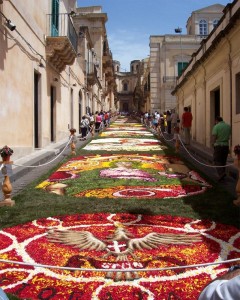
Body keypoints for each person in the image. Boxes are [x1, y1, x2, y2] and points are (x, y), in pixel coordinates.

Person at [212, 116, 231, 181]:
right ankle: (222, 174)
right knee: (223, 161)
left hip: (218, 145)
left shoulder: (216, 126)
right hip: (226, 145)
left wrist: (213, 143)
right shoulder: (228, 126)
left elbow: (214, 136)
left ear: (216, 120)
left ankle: (221, 173)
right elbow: (229, 136)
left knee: (216, 160)